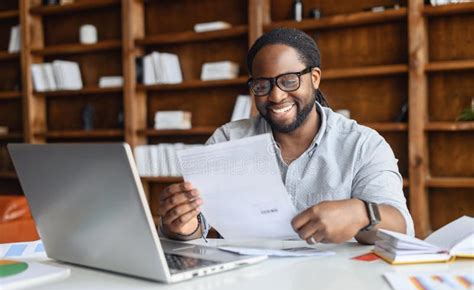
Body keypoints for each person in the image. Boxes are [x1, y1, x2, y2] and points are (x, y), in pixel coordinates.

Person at [157, 28, 414, 244]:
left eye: (289, 81)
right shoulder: (228, 140)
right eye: (262, 85)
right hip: (247, 288)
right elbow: (195, 228)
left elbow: (401, 228)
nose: (276, 95)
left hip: (336, 289)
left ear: (314, 78)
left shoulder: (363, 145)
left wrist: (361, 213)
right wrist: (181, 225)